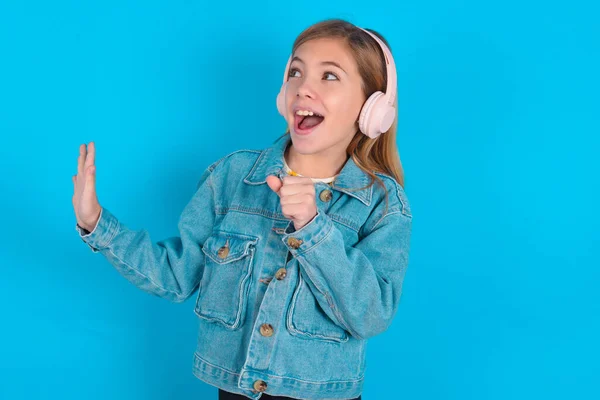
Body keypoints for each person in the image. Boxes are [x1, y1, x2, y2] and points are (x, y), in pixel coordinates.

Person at [72, 18, 412, 400]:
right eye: (296, 72)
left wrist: (314, 228)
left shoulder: (382, 205)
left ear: (373, 108)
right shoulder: (232, 177)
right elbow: (176, 276)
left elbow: (371, 314)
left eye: (329, 76)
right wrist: (96, 224)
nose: (304, 88)